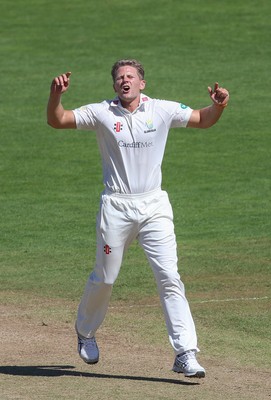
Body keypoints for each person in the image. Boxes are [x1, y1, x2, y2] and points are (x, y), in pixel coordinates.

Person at [47, 59, 229, 378]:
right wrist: (55, 96)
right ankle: (86, 333)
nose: (125, 81)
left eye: (131, 76)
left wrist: (220, 105)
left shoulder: (161, 109)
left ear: (142, 83)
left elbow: (203, 118)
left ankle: (185, 352)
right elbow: (58, 120)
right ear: (114, 86)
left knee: (169, 276)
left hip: (154, 206)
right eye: (120, 78)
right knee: (105, 278)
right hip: (116, 207)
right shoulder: (101, 112)